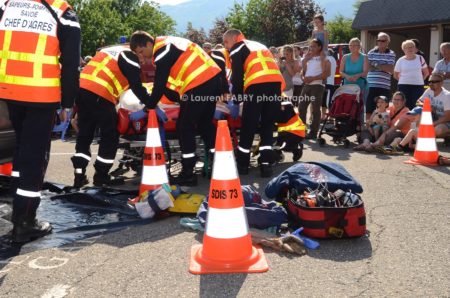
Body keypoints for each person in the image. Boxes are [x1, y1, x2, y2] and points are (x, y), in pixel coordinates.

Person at [0, 0, 80, 243]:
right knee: (34, 158)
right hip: (40, 95)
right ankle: (24, 222)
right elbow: (70, 64)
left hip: (9, 91)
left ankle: (17, 204)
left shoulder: (7, 5)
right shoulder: (63, 12)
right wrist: (67, 103)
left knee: (21, 151)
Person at [130, 31, 223, 186]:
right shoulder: (169, 43)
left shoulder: (161, 50)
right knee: (205, 124)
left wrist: (148, 107)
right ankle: (218, 163)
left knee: (184, 127)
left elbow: (159, 85)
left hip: (198, 82)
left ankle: (188, 173)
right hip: (211, 80)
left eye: (141, 51)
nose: (142, 56)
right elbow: (169, 88)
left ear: (148, 44)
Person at [73, 40, 156, 188]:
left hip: (82, 90)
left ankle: (79, 175)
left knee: (84, 134)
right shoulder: (130, 56)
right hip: (101, 93)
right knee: (110, 135)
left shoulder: (112, 51)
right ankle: (101, 176)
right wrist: (152, 105)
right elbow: (137, 87)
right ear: (137, 50)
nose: (143, 60)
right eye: (142, 56)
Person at [223, 29, 285, 177]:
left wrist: (237, 101)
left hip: (257, 86)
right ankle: (266, 165)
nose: (225, 46)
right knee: (267, 126)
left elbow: (237, 79)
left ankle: (243, 165)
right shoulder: (258, 45)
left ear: (234, 38)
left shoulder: (237, 48)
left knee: (249, 125)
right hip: (275, 85)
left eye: (226, 42)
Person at [299, 39, 330, 140]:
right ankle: (302, 131)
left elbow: (326, 74)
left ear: (319, 47)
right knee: (301, 107)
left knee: (316, 110)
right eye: (310, 46)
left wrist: (312, 78)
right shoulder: (307, 58)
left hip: (317, 86)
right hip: (307, 85)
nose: (311, 48)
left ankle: (313, 133)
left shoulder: (324, 58)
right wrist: (303, 77)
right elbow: (303, 72)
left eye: (313, 46)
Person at [366, 32, 396, 120]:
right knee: (369, 109)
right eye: (379, 40)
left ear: (388, 42)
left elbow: (391, 69)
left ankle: (382, 130)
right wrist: (383, 66)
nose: (380, 42)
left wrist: (375, 64)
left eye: (383, 41)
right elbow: (368, 67)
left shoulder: (391, 53)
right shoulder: (371, 52)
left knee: (384, 110)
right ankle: (369, 129)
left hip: (384, 87)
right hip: (370, 86)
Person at [394, 39, 429, 109]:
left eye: (412, 46)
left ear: (415, 48)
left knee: (417, 106)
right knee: (404, 106)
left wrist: (420, 80)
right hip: (403, 87)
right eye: (407, 47)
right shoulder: (400, 60)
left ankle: (416, 120)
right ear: (403, 50)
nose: (410, 49)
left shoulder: (420, 58)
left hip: (418, 87)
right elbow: (395, 75)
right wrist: (403, 81)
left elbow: (426, 73)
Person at [417, 73, 450, 138]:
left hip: (447, 121)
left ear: (441, 83)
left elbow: (447, 117)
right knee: (418, 110)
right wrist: (427, 106)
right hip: (436, 119)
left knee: (438, 130)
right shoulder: (429, 90)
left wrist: (431, 124)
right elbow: (418, 102)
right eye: (430, 82)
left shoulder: (447, 96)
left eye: (434, 82)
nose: (431, 84)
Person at [322, 49, 337, 119]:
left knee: (326, 101)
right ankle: (326, 117)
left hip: (326, 82)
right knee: (327, 100)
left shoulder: (328, 59)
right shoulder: (333, 59)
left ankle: (327, 117)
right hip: (330, 82)